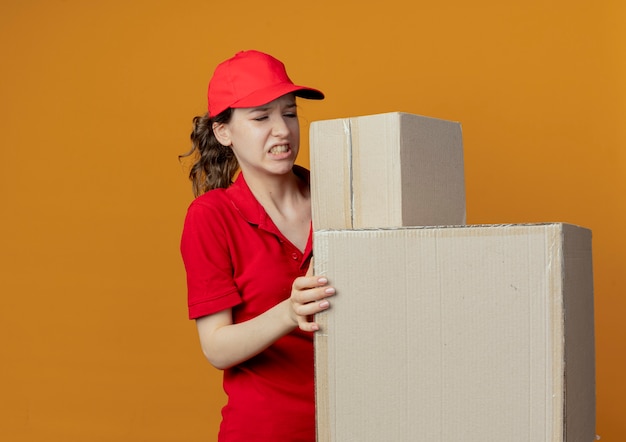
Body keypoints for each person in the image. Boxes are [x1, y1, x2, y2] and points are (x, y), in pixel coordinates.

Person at [179, 50, 335, 442]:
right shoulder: (212, 216)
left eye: (289, 113)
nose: (282, 130)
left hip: (357, 421)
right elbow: (216, 347)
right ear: (223, 132)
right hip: (266, 431)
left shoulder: (339, 197)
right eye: (261, 117)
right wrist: (289, 311)